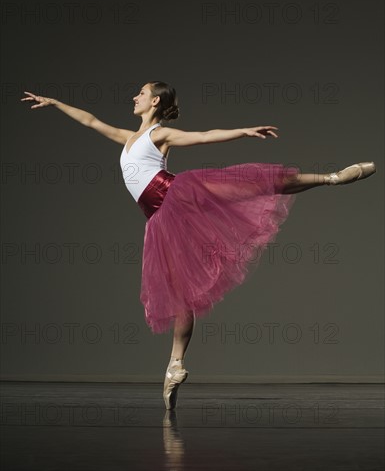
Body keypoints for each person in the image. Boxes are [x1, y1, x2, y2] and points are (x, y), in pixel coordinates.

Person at [21, 82, 376, 410]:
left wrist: (243, 131)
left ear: (155, 100)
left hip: (178, 195)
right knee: (181, 295)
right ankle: (175, 365)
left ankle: (331, 178)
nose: (134, 97)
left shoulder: (159, 134)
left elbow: (204, 136)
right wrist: (54, 103)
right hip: (159, 219)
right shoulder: (129, 137)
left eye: (140, 93)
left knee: (253, 184)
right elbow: (91, 120)